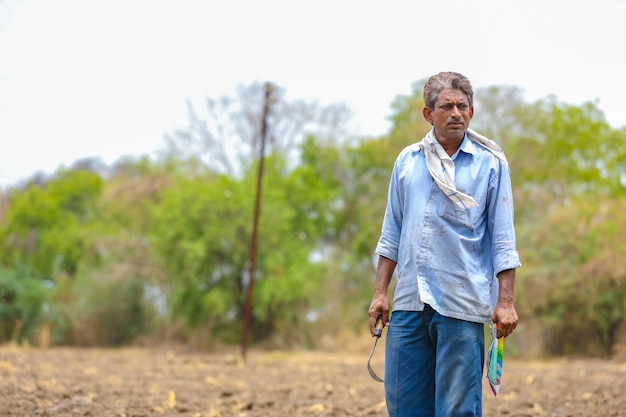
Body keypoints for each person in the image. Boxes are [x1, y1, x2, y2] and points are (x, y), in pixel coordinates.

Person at [368, 71, 521, 417]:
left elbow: (503, 238)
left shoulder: (491, 164)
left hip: (461, 303)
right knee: (404, 404)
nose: (456, 113)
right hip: (409, 303)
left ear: (472, 111)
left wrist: (505, 301)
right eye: (447, 106)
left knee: (457, 408)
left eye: (463, 106)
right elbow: (391, 232)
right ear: (428, 114)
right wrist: (380, 293)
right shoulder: (408, 162)